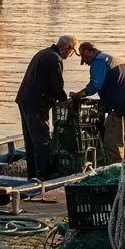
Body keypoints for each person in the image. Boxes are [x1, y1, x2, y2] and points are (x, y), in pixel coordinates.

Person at [15, 35, 78, 180]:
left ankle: (32, 176)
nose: (71, 55)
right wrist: (64, 99)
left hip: (24, 100)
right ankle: (43, 178)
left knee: (31, 141)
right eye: (72, 52)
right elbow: (56, 86)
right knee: (42, 142)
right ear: (67, 48)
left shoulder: (43, 53)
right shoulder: (54, 58)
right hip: (36, 104)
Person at [73, 42, 125, 163]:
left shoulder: (99, 61)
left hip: (119, 107)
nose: (84, 62)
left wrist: (78, 95)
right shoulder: (112, 58)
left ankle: (115, 173)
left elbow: (94, 85)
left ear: (87, 51)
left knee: (113, 144)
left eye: (83, 57)